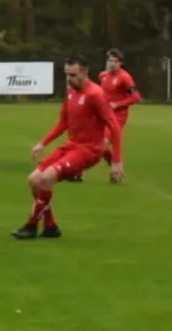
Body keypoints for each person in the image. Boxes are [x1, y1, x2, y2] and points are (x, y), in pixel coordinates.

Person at [15, 55, 124, 240]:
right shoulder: (71, 91)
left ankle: (31, 226)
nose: (69, 79)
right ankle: (50, 226)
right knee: (34, 180)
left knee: (46, 178)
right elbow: (63, 123)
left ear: (85, 72)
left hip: (89, 150)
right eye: (66, 74)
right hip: (72, 145)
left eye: (73, 75)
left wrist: (116, 161)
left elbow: (114, 125)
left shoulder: (95, 94)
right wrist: (43, 143)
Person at [97, 48, 140, 175]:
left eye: (115, 61)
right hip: (104, 114)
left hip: (118, 117)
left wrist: (117, 104)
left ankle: (116, 167)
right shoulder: (103, 75)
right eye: (110, 60)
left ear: (120, 63)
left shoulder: (125, 77)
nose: (112, 63)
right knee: (97, 144)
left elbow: (136, 97)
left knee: (102, 143)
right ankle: (115, 165)